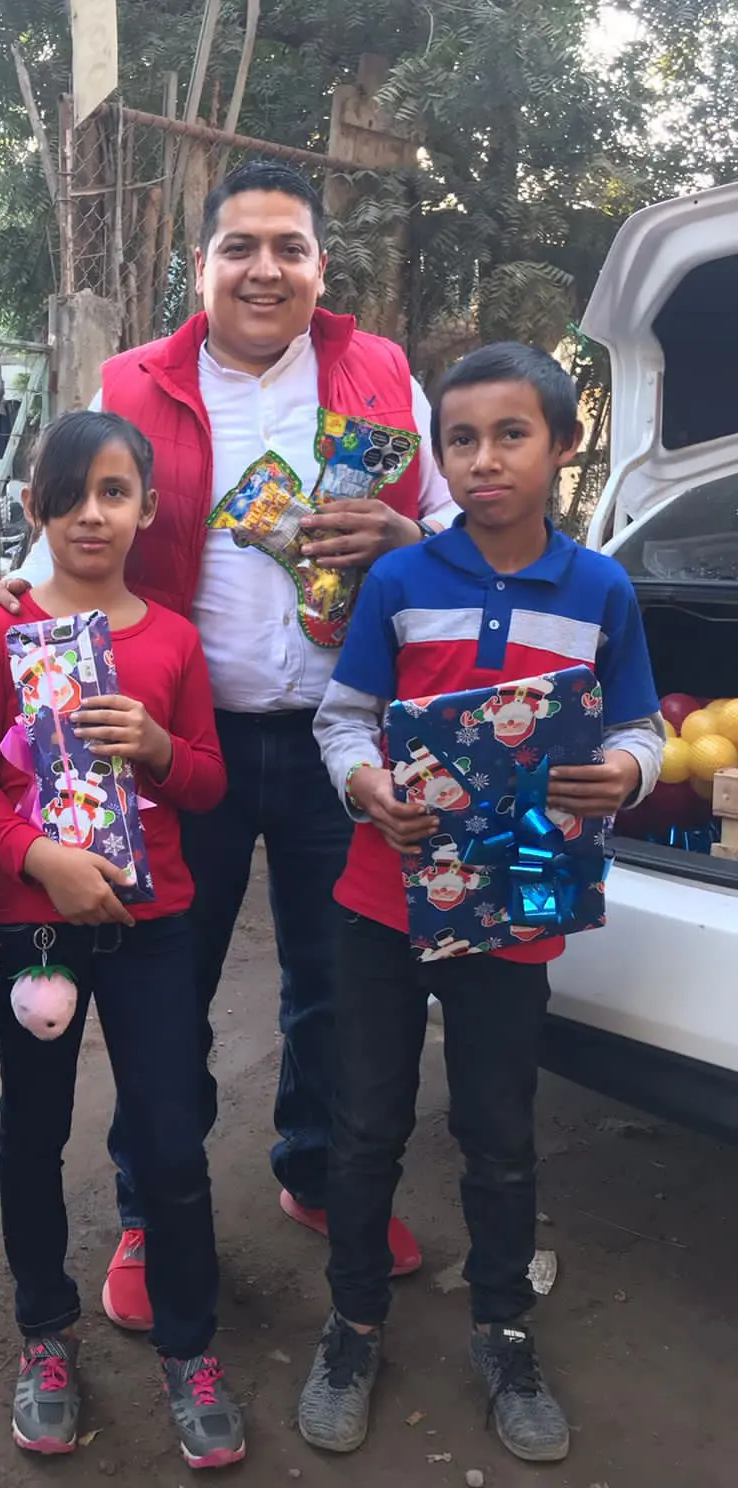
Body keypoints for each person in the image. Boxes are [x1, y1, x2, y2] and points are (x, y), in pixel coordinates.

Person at [0, 159, 455, 1327]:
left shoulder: (379, 372)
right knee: (160, 982)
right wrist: (11, 599)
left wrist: (402, 533)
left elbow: (443, 523)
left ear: (321, 267)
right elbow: (85, 510)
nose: (265, 268)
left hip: (343, 734)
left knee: (336, 982)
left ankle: (317, 1171)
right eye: (241, 247)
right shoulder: (137, 379)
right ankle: (149, 1206)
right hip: (173, 740)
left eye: (290, 247)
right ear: (202, 266)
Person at [300, 343, 665, 1463]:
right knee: (363, 1126)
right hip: (380, 900)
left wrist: (628, 775)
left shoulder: (601, 589)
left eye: (513, 434)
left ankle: (503, 1328)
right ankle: (353, 1322)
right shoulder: (403, 584)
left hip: (515, 909)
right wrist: (365, 786)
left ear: (562, 447)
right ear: (439, 456)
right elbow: (342, 714)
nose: (485, 458)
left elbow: (640, 727)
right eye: (462, 438)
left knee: (498, 1133)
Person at [0, 410, 245, 1470]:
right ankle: (46, 1333)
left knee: (170, 1138)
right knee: (33, 1134)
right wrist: (40, 860)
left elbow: (209, 780)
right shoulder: (0, 630)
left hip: (156, 926)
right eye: (68, 494)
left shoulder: (171, 638)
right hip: (37, 935)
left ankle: (190, 1346)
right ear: (35, 510)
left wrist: (161, 746)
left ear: (147, 508)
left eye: (114, 492)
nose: (90, 513)